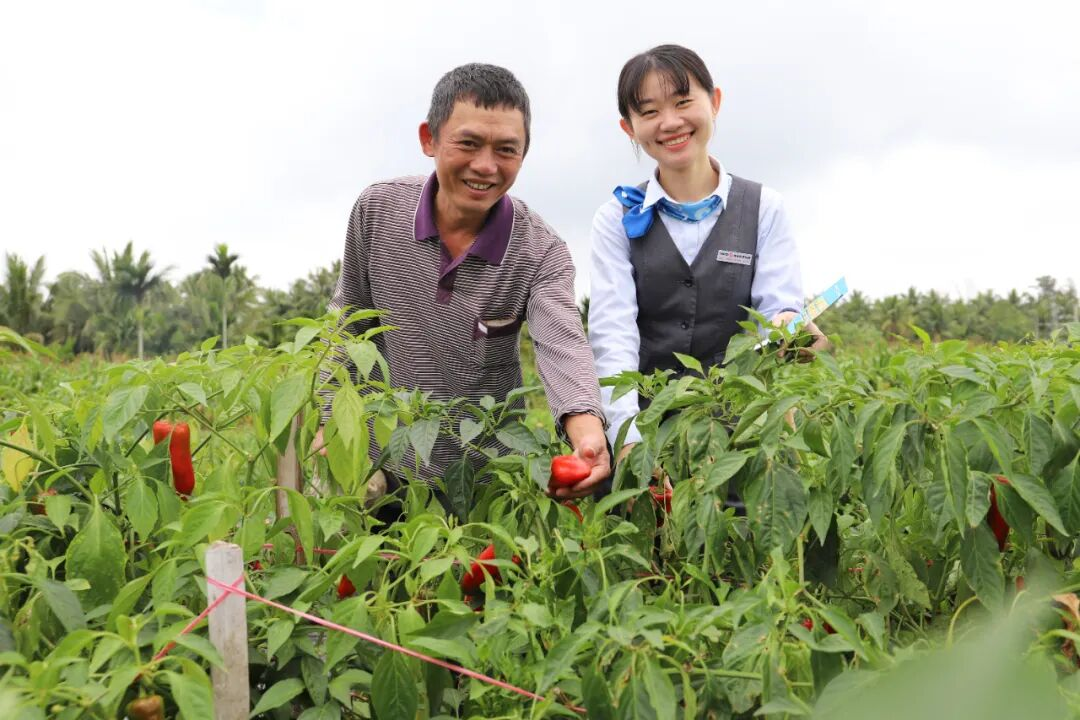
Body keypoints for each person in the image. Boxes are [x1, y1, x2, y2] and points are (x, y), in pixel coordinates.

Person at [315, 63, 610, 505]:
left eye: (506, 150)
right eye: (468, 143)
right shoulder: (377, 210)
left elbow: (562, 345)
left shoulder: (540, 251)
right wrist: (327, 421)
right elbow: (348, 323)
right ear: (428, 138)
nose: (486, 166)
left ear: (524, 154)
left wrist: (587, 433)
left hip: (480, 473)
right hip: (380, 459)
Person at [585, 44, 828, 472]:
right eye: (649, 112)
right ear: (629, 127)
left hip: (745, 437)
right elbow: (613, 339)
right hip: (651, 433)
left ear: (714, 102)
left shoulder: (764, 207)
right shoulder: (614, 219)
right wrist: (630, 443)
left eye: (683, 103)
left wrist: (789, 330)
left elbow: (777, 306)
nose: (670, 123)